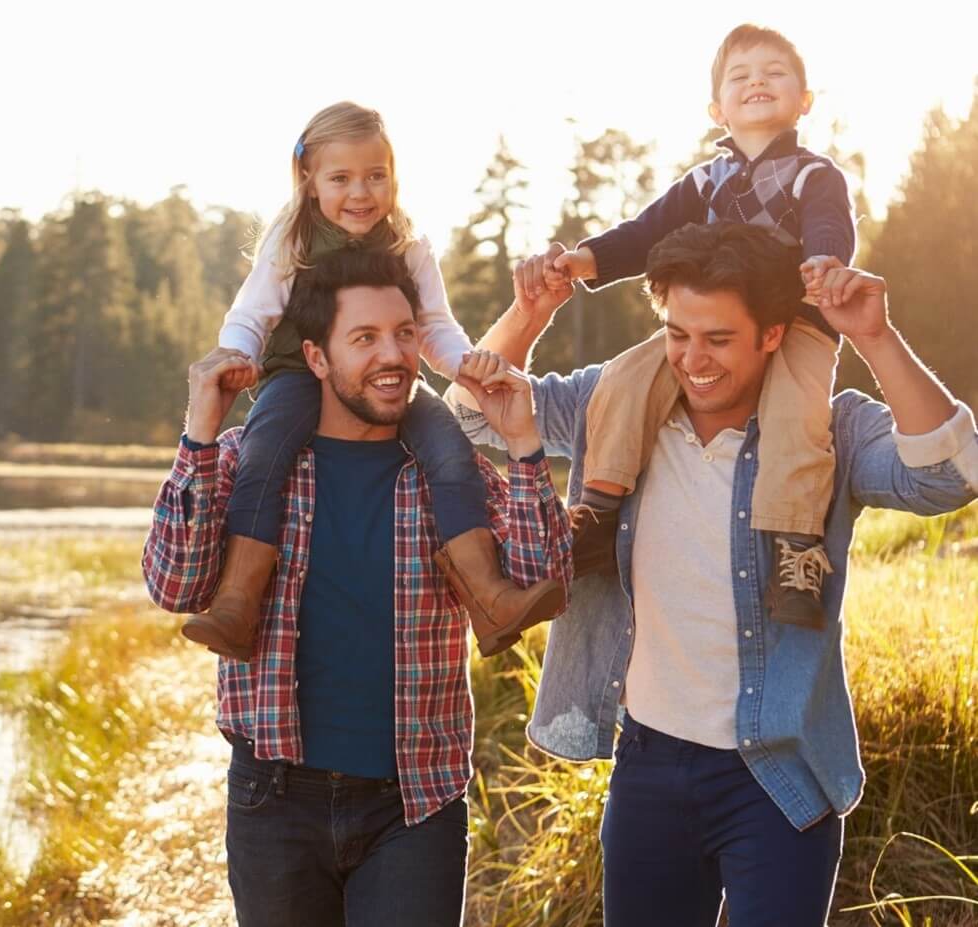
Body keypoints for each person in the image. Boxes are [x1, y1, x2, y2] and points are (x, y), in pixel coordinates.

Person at [449, 221, 978, 925]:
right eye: (677, 333)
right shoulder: (613, 405)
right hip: (650, 765)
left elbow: (948, 476)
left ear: (771, 334)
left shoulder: (825, 431)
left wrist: (877, 337)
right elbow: (471, 420)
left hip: (778, 771)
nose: (692, 360)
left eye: (718, 339)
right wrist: (530, 314)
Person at [143, 248, 573, 924]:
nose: (394, 355)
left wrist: (522, 442)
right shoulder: (247, 463)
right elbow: (173, 584)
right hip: (274, 800)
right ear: (316, 357)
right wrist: (199, 431)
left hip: (415, 804)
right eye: (365, 338)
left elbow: (543, 579)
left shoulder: (446, 471)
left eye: (405, 334)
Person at [184, 101, 555, 662]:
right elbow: (251, 313)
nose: (361, 193)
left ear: (394, 178)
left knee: (450, 451)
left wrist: (464, 366)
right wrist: (236, 354)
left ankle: (489, 596)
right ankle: (237, 600)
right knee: (263, 453)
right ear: (309, 182)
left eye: (375, 176)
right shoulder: (291, 241)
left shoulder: (408, 247)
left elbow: (433, 326)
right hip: (293, 374)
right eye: (341, 178)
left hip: (391, 379)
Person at [536, 24, 855, 627]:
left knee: (798, 411)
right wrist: (588, 259)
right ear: (717, 108)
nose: (757, 81)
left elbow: (829, 226)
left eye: (774, 73)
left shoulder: (814, 176)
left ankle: (795, 549)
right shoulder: (705, 181)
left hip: (796, 320)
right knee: (626, 378)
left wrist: (824, 262)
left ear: (804, 100)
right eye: (740, 76)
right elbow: (644, 232)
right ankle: (600, 513)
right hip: (706, 324)